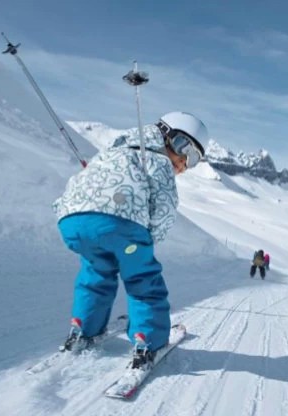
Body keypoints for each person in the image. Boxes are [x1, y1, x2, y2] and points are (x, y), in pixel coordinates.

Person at [52, 111, 207, 368]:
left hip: (72, 222)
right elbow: (165, 208)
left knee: (95, 274)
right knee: (142, 279)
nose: (183, 162)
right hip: (122, 225)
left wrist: (68, 216)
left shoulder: (110, 152)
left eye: (193, 160)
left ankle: (84, 330)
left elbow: (76, 185)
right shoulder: (157, 160)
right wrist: (148, 238)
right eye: (183, 147)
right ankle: (149, 342)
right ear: (164, 134)